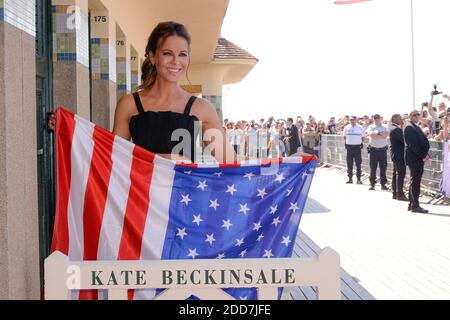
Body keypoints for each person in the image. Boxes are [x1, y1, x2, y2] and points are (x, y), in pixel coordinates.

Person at [404, 110, 430, 213]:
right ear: (410, 116)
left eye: (418, 114)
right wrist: (424, 155)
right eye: (414, 115)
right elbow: (413, 145)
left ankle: (412, 204)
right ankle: (415, 205)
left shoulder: (415, 126)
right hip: (415, 158)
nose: (416, 116)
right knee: (415, 182)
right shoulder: (409, 127)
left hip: (417, 158)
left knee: (414, 181)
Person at [366, 114, 389, 191]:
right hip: (373, 150)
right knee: (373, 168)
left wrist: (377, 133)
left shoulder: (385, 126)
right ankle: (372, 184)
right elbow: (371, 135)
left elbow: (386, 135)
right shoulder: (370, 126)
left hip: (382, 150)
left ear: (380, 118)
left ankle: (383, 185)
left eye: (377, 118)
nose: (376, 119)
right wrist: (380, 134)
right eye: (375, 118)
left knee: (383, 168)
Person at [389, 114, 408, 201]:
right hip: (399, 155)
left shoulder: (394, 128)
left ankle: (395, 193)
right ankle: (399, 194)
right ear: (395, 119)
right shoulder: (396, 129)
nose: (401, 120)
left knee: (396, 174)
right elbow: (404, 140)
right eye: (400, 118)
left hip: (396, 154)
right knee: (400, 174)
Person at [343, 116, 364, 184]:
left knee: (358, 164)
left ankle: (358, 179)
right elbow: (344, 136)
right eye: (351, 120)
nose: (352, 121)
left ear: (356, 120)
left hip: (357, 147)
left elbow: (362, 137)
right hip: (349, 147)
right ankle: (350, 179)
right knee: (349, 164)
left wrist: (359, 142)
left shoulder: (360, 127)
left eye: (353, 120)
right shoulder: (346, 127)